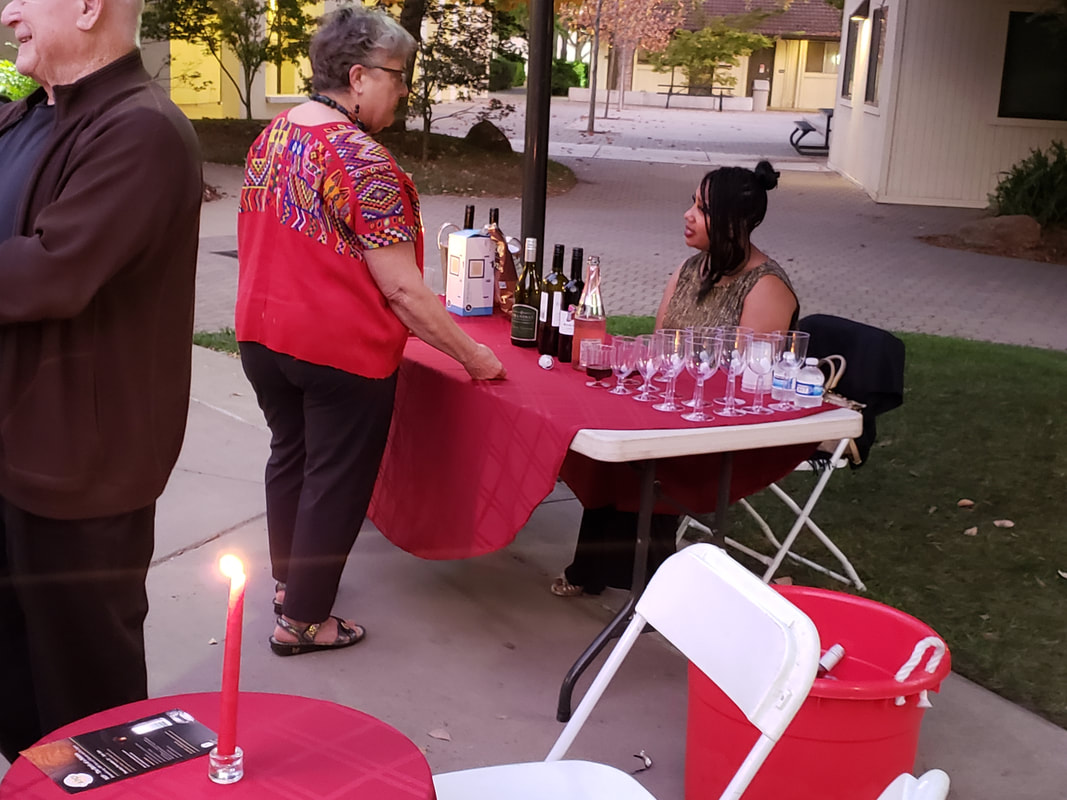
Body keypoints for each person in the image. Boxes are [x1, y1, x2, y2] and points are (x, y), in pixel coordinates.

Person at [236, 6, 506, 657]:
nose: (404, 90)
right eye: (398, 75)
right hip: (338, 350)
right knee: (334, 478)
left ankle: (289, 587)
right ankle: (304, 622)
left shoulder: (273, 135)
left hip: (261, 336)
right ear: (358, 77)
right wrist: (473, 356)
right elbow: (403, 290)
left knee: (291, 456)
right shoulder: (365, 162)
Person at [0, 0, 202, 762]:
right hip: (14, 447)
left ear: (88, 7)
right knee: (16, 676)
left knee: (87, 697)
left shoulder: (141, 130)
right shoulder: (30, 115)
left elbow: (52, 272)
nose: (8, 14)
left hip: (79, 468)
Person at [552, 161, 797, 597]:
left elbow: (742, 382)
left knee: (641, 458)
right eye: (692, 203)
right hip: (674, 410)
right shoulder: (690, 270)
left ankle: (647, 587)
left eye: (702, 209)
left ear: (735, 222)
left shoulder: (766, 287)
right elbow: (660, 345)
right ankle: (611, 570)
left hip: (721, 428)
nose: (688, 215)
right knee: (608, 438)